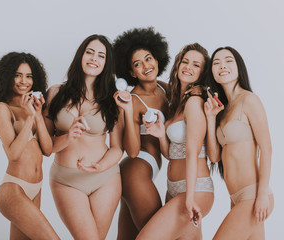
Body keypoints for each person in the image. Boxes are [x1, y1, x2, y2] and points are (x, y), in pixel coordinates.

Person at [44, 34, 123, 240]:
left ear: (106, 64)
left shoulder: (112, 99)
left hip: (106, 179)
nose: (94, 58)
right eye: (89, 52)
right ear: (81, 55)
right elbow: (45, 147)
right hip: (67, 180)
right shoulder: (55, 93)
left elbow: (117, 148)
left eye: (101, 55)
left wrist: (101, 166)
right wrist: (68, 138)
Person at [136, 43, 214, 240]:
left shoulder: (194, 102)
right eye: (185, 61)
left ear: (202, 72)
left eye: (196, 65)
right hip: (174, 189)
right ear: (178, 64)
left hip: (194, 190)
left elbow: (192, 152)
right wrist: (161, 134)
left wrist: (189, 198)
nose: (188, 67)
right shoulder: (177, 103)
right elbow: (171, 154)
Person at [0, 52, 59, 239]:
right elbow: (13, 153)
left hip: (36, 188)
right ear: (7, 77)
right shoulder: (2, 109)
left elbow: (47, 150)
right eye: (18, 75)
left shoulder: (34, 107)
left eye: (29, 76)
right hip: (14, 189)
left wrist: (37, 114)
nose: (24, 81)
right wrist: (29, 117)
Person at [204, 47, 274, 239]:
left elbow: (267, 149)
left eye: (228, 61)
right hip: (236, 199)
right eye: (216, 63)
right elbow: (214, 156)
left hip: (253, 196)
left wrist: (261, 196)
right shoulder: (223, 110)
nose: (222, 66)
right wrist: (211, 119)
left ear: (238, 67)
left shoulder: (249, 100)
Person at [113, 27, 170, 239]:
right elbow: (133, 151)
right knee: (159, 234)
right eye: (138, 64)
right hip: (135, 170)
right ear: (131, 72)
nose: (146, 66)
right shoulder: (133, 100)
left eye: (148, 58)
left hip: (145, 172)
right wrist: (127, 112)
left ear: (157, 59)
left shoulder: (165, 88)